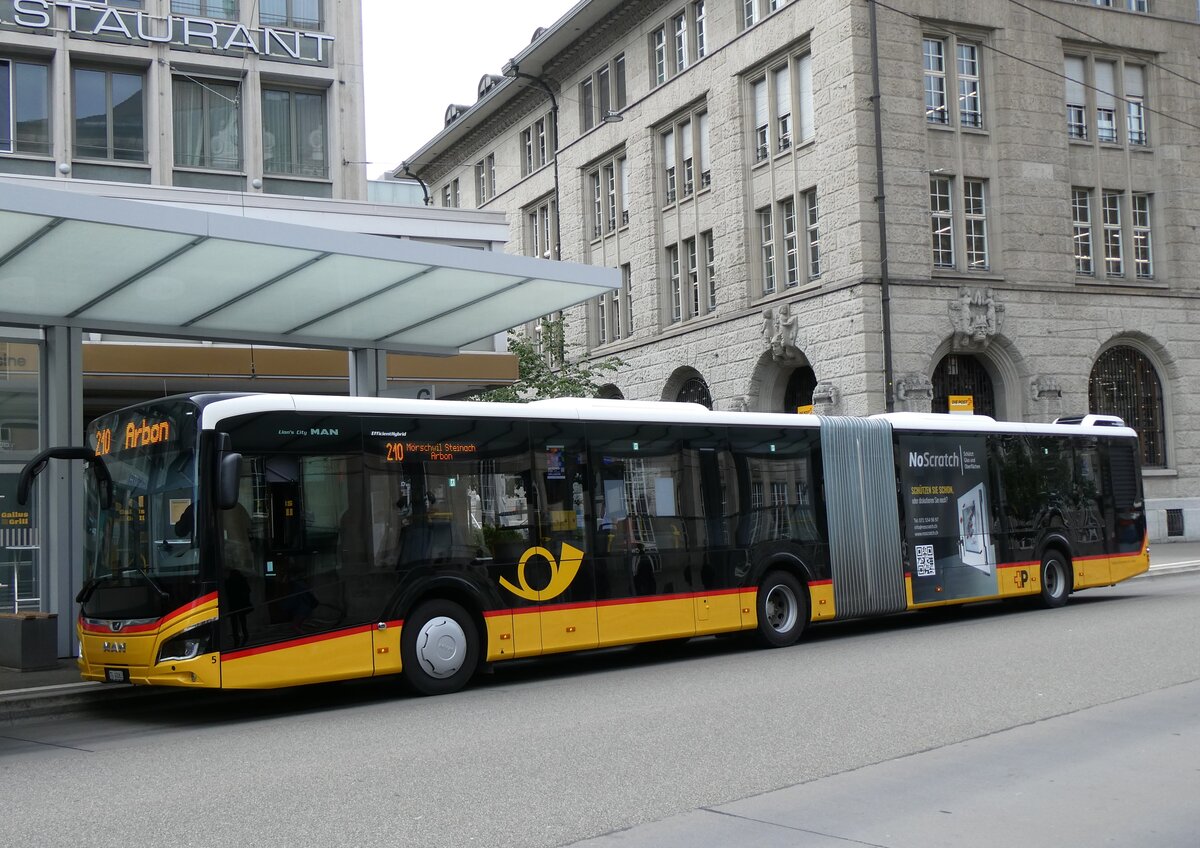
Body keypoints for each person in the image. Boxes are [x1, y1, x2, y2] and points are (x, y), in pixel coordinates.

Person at [224, 568, 252, 648]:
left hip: (234, 604)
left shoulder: (229, 582)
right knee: (242, 620)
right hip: (240, 604)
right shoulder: (241, 580)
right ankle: (243, 634)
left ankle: (237, 636)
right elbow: (248, 590)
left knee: (235, 622)